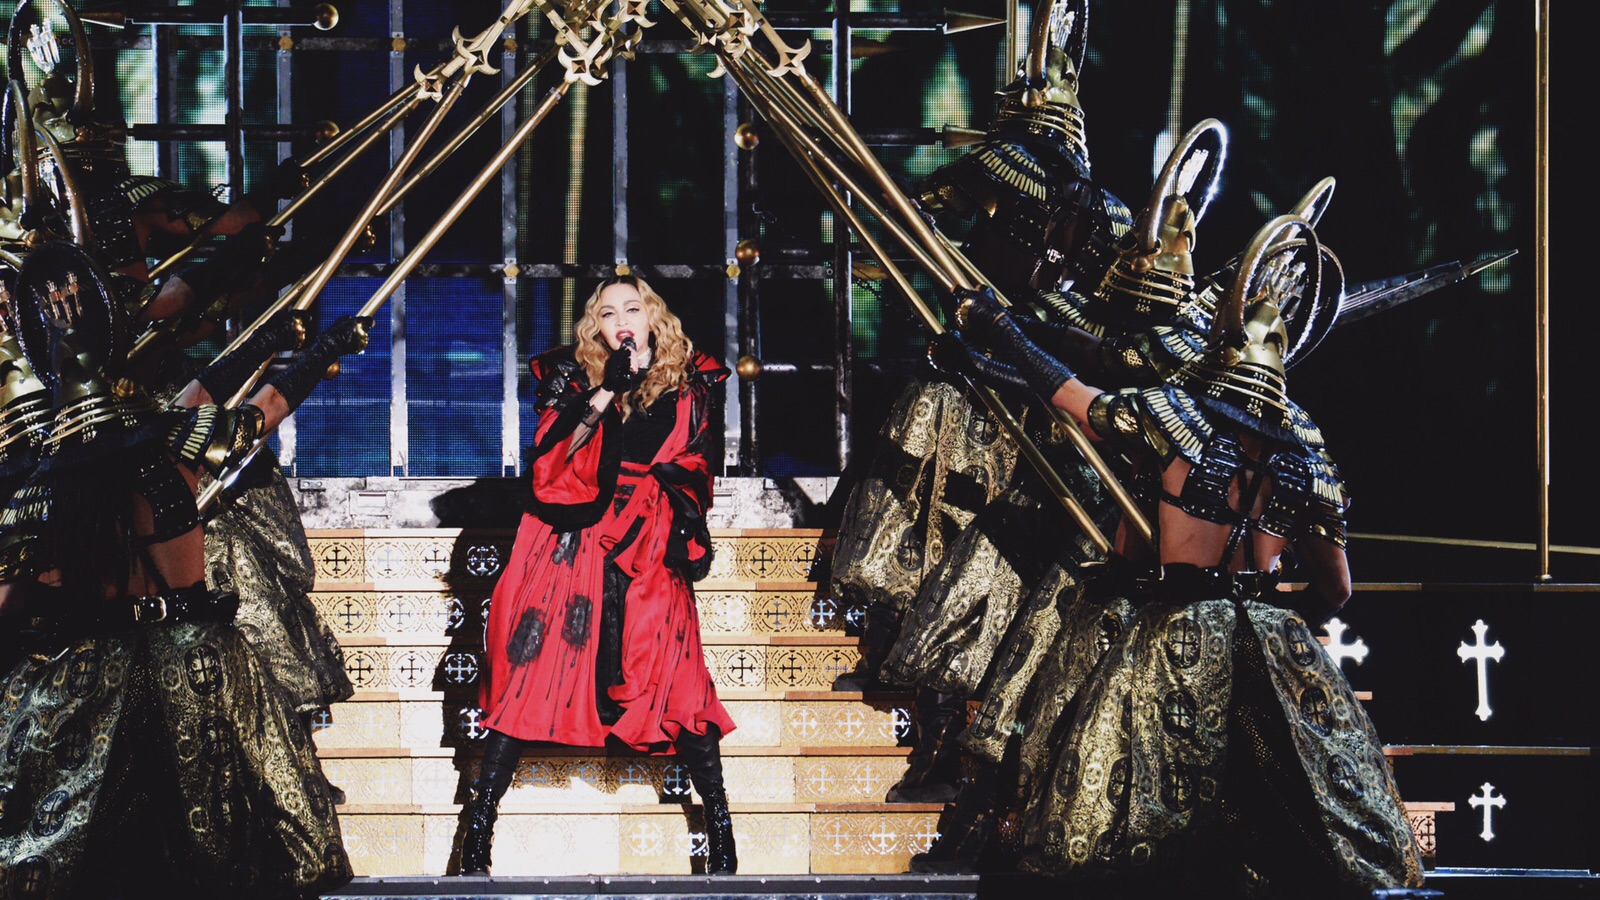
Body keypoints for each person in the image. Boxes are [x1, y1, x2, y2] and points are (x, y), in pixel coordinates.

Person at [944, 216, 1423, 897]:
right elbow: (1337, 590)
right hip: (1274, 641)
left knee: (1140, 813)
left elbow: (1077, 401)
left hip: (1179, 630)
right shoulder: (1306, 462)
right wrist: (1274, 618)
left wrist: (999, 330)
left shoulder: (1180, 419)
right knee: (1289, 813)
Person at [0, 239, 366, 899]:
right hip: (197, 666)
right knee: (225, 858)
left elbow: (9, 606)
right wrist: (316, 354)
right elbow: (257, 413)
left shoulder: (38, 490)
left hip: (91, 680)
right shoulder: (168, 440)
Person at [460, 274, 737, 876]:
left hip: (651, 537)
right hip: (576, 535)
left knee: (678, 680)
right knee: (530, 674)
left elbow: (697, 459)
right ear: (597, 326)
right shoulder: (573, 375)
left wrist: (686, 523)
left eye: (632, 309)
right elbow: (555, 456)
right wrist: (608, 388)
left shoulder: (691, 380)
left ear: (653, 317)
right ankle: (478, 831)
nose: (621, 321)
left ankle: (721, 827)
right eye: (608, 313)